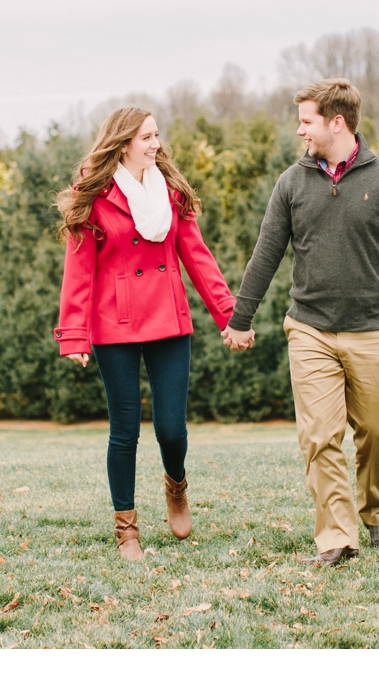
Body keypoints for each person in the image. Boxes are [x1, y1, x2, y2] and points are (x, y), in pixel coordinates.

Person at [222, 78, 379, 566]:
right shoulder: (292, 183)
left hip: (376, 331)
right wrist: (240, 317)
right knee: (319, 436)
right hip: (310, 329)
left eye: (306, 121)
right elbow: (267, 253)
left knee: (376, 433)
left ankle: (375, 511)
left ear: (337, 123)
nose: (299, 131)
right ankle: (337, 537)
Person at [54, 106, 240, 561]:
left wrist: (230, 315)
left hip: (168, 319)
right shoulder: (93, 196)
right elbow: (79, 269)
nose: (156, 144)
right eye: (146, 138)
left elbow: (197, 257)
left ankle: (176, 487)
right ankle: (127, 530)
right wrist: (74, 335)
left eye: (157, 136)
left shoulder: (171, 192)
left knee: (172, 429)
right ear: (122, 145)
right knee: (125, 431)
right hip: (113, 324)